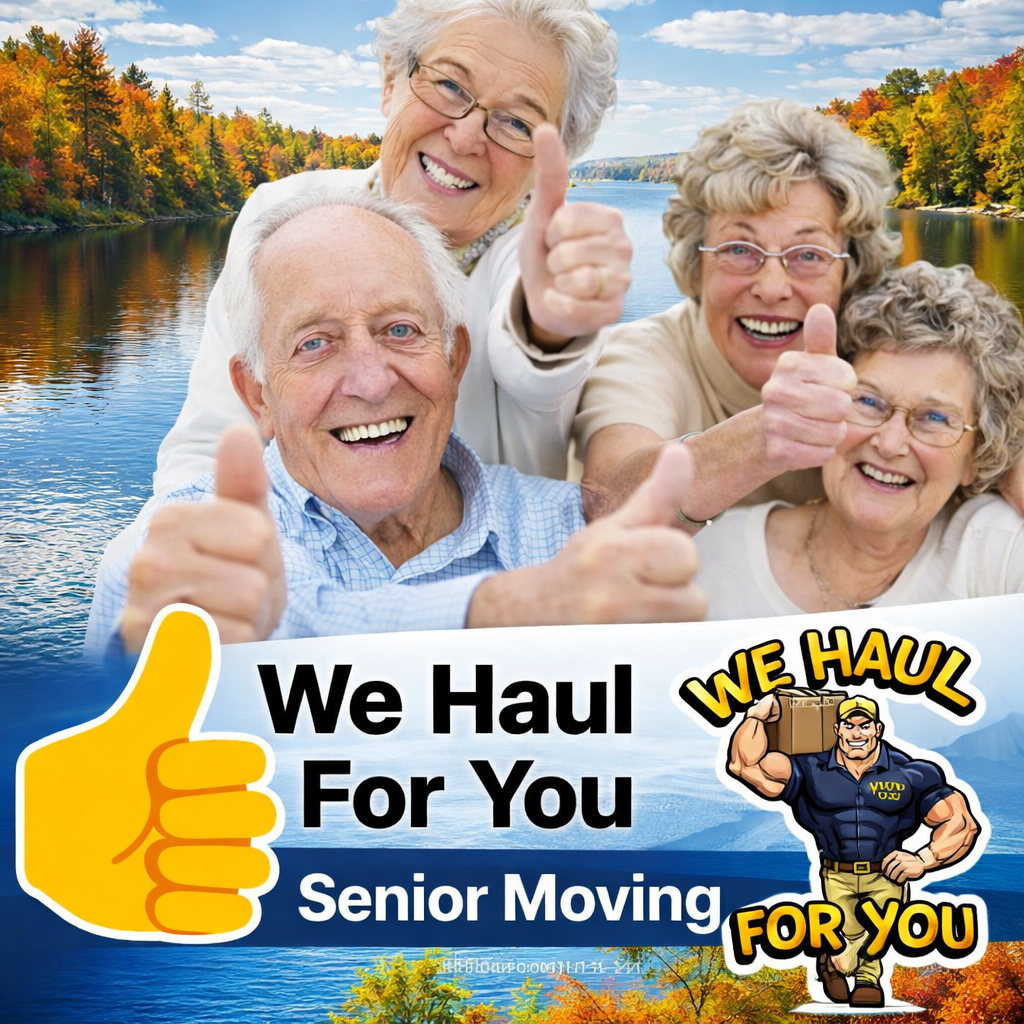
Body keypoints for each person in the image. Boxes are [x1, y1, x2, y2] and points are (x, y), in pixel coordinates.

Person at [86, 189, 703, 653]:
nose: (371, 379)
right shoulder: (173, 554)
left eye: (400, 330)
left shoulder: (568, 535)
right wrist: (510, 610)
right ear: (258, 395)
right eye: (315, 343)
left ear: (455, 359)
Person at [156, 0, 628, 489]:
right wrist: (202, 540)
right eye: (449, 85)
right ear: (390, 81)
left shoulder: (535, 263)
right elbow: (212, 444)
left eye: (518, 123)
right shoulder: (281, 216)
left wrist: (551, 322)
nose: (466, 137)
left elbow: (532, 366)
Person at [574, 99, 902, 523]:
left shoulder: (886, 356)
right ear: (696, 259)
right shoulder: (639, 355)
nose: (771, 287)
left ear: (850, 268)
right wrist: (763, 439)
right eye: (739, 249)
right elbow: (608, 500)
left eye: (808, 254)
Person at [692, 262, 1024, 616]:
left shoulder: (998, 549)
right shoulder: (709, 555)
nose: (890, 443)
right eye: (867, 401)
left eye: (936, 418)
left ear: (977, 458)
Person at [728, 694, 980, 1007]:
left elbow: (960, 822)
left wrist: (924, 859)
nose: (857, 733)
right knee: (844, 951)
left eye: (865, 725)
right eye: (850, 725)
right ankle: (833, 959)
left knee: (880, 931)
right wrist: (756, 716)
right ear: (838, 729)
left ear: (878, 729)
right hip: (837, 873)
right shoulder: (811, 768)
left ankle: (868, 980)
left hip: (888, 872)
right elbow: (745, 764)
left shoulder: (913, 773)